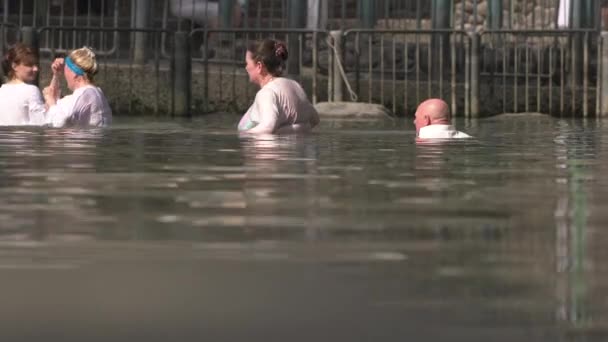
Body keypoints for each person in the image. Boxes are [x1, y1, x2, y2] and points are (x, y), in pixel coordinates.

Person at [238, 39, 319, 134]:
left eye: (247, 63)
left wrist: (243, 135)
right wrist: (295, 129)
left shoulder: (266, 93)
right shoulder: (295, 86)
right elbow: (315, 119)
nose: (246, 67)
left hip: (269, 147)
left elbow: (267, 128)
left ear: (259, 66)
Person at [42, 47, 112, 128]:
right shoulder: (95, 92)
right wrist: (56, 75)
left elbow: (59, 123)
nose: (65, 74)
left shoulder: (85, 94)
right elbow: (51, 108)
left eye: (65, 69)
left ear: (74, 73)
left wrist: (51, 102)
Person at [0, 43, 47, 125]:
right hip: (24, 137)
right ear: (14, 66)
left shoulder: (1, 91)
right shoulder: (31, 90)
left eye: (36, 64)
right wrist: (50, 103)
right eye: (29, 65)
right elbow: (41, 124)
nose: (36, 69)